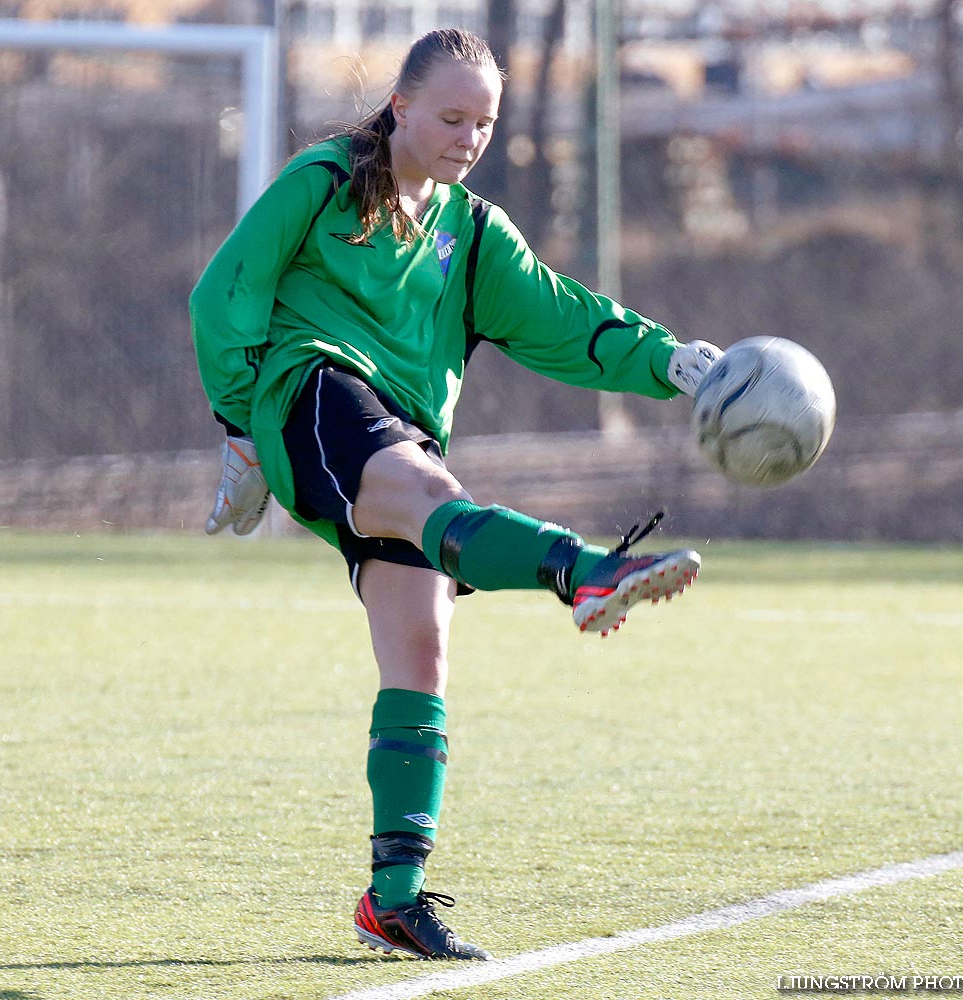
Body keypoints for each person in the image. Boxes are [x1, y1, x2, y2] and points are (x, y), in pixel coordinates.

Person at [190, 27, 720, 962]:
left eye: (485, 121)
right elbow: (227, 290)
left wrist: (670, 361)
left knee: (422, 651)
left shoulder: (472, 233)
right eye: (450, 115)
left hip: (398, 435)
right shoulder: (321, 183)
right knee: (424, 488)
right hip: (311, 392)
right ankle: (588, 573)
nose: (469, 135)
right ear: (399, 107)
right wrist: (239, 423)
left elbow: (563, 317)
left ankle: (392, 897)